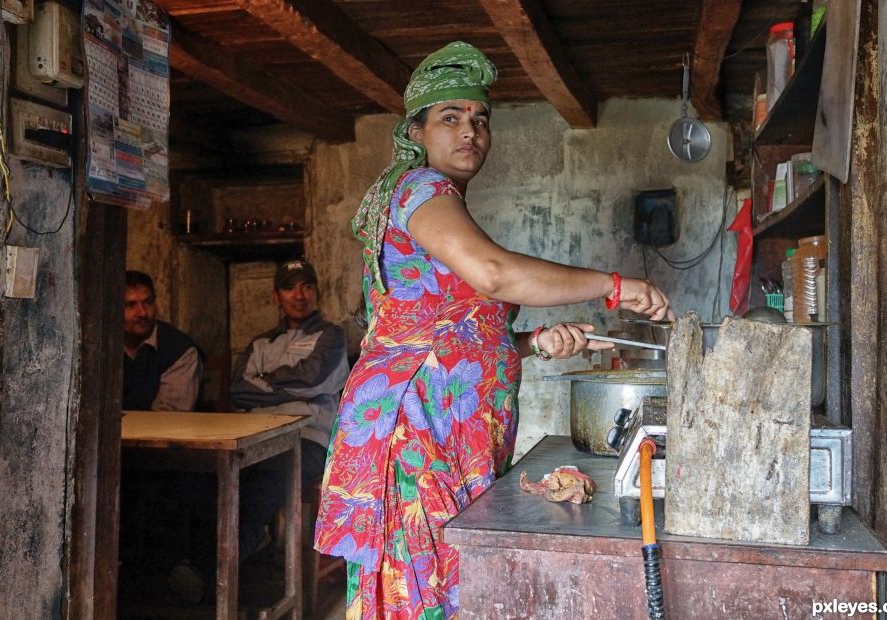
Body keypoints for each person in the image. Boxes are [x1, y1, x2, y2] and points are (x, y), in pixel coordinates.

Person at [314, 41, 673, 619]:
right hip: (416, 431)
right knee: (428, 589)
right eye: (450, 118)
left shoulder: (433, 199)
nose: (470, 132)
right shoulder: (420, 189)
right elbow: (495, 272)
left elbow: (447, 333)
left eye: (480, 119)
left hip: (439, 426)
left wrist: (533, 345)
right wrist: (613, 286)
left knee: (439, 585)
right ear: (416, 131)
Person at [230, 258, 350, 489]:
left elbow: (313, 380)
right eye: (289, 288)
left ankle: (246, 525)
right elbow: (238, 391)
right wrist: (297, 391)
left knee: (261, 489)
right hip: (257, 438)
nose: (299, 296)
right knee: (217, 482)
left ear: (316, 292)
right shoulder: (261, 343)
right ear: (276, 297)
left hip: (309, 439)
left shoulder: (331, 336)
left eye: (306, 286)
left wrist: (265, 379)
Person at [123, 270, 203, 411]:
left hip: (155, 431)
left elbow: (168, 418)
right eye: (130, 305)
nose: (142, 313)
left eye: (147, 302)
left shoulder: (179, 350)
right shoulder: (100, 345)